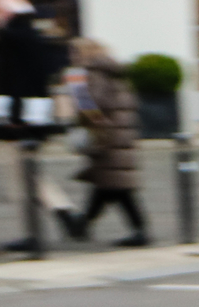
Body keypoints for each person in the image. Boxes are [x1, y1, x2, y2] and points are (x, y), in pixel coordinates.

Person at [0, 0, 70, 252]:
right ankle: (64, 212)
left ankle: (34, 233)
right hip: (35, 115)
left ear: (6, 14)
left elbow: (11, 80)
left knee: (19, 176)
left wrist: (8, 117)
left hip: (18, 118)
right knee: (28, 172)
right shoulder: (34, 36)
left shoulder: (9, 38)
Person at [59, 38, 148, 247]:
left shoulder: (92, 74)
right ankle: (83, 224)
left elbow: (92, 106)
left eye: (74, 53)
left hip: (106, 136)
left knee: (117, 187)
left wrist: (76, 92)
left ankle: (140, 230)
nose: (71, 57)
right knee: (106, 183)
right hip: (119, 134)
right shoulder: (114, 72)